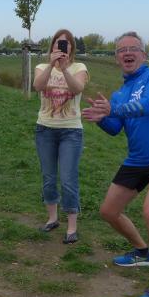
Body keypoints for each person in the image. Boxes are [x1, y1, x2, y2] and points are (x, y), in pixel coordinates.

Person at [82, 31, 149, 297]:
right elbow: (116, 128)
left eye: (133, 48)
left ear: (144, 54)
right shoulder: (120, 93)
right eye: (121, 50)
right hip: (137, 159)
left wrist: (113, 109)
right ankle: (142, 251)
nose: (127, 53)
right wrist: (101, 118)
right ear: (117, 58)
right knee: (108, 211)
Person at [33, 29, 89, 244]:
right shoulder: (41, 67)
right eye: (58, 43)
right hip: (45, 129)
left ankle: (72, 227)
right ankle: (52, 218)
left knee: (67, 178)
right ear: (52, 46)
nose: (61, 47)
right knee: (48, 177)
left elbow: (77, 89)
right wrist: (51, 65)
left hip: (71, 131)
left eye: (65, 43)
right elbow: (37, 86)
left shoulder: (79, 67)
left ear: (71, 47)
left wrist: (64, 69)